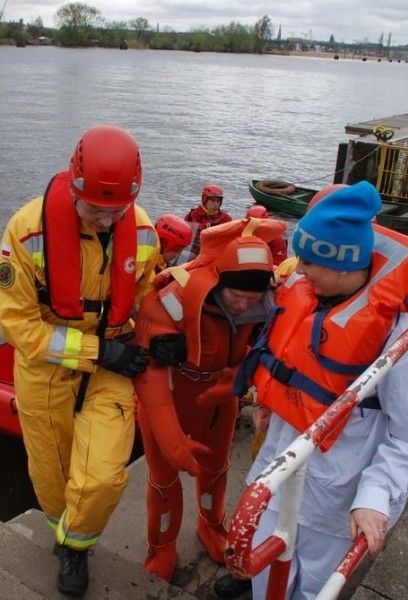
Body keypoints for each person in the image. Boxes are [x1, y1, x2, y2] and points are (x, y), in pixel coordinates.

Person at [0, 125, 160, 597]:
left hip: (112, 367)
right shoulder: (26, 233)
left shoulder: (143, 231)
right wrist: (96, 350)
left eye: (117, 212)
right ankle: (67, 541)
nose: (107, 222)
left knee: (105, 476)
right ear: (72, 185)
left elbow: (149, 295)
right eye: (96, 211)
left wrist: (162, 338)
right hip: (47, 371)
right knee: (51, 473)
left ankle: (74, 544)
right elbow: (17, 325)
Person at [228, 181, 408, 600]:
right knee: (262, 578)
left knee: (313, 590)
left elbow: (405, 436)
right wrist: (272, 404)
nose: (299, 270)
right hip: (276, 472)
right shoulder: (310, 294)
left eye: (309, 262)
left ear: (345, 264)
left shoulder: (395, 337)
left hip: (334, 500)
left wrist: (375, 498)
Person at [131, 217, 288, 583]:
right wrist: (170, 436)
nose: (244, 306)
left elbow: (267, 351)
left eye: (253, 299)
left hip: (220, 403)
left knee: (216, 473)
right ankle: (161, 545)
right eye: (238, 297)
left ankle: (212, 526)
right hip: (170, 398)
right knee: (164, 480)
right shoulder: (170, 301)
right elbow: (148, 371)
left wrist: (241, 378)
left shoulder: (262, 303)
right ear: (219, 281)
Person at [182, 184, 233, 259]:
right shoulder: (192, 215)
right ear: (204, 200)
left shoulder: (225, 219)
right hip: (193, 252)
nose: (215, 204)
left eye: (218, 201)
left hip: (213, 254)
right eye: (212, 201)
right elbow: (184, 234)